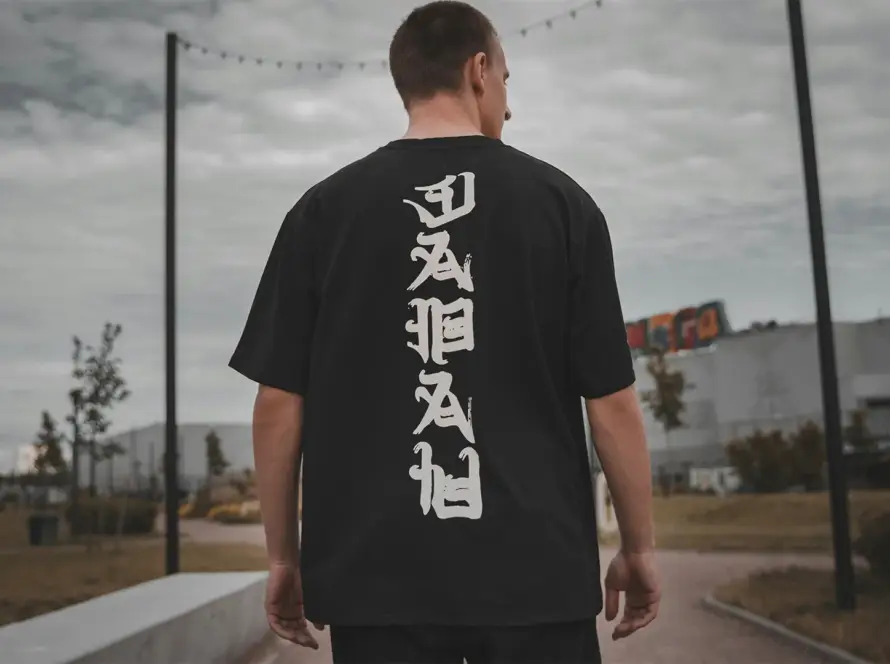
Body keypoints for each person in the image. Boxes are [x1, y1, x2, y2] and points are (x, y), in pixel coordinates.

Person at [229, 2, 660, 662]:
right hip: (535, 579)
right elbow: (611, 405)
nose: (508, 107)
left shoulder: (322, 214)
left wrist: (283, 557)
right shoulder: (562, 207)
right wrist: (640, 547)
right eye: (508, 81)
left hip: (375, 583)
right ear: (479, 69)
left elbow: (277, 406)